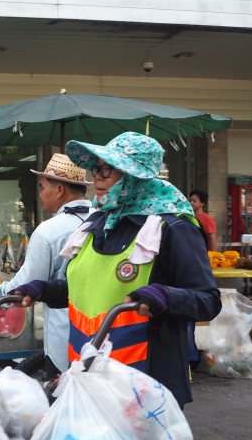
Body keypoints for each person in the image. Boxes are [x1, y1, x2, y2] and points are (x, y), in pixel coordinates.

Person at [12, 132, 221, 408]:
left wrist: (164, 296)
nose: (96, 177)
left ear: (135, 176)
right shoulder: (99, 222)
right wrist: (46, 289)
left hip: (144, 386)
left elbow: (208, 300)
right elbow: (92, 288)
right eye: (96, 169)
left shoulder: (173, 227)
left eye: (107, 169)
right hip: (88, 377)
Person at [0, 154, 94, 377]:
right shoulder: (102, 220)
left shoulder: (48, 231)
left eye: (43, 188)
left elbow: (25, 284)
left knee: (62, 402)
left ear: (60, 190)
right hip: (102, 338)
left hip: (65, 339)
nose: (40, 195)